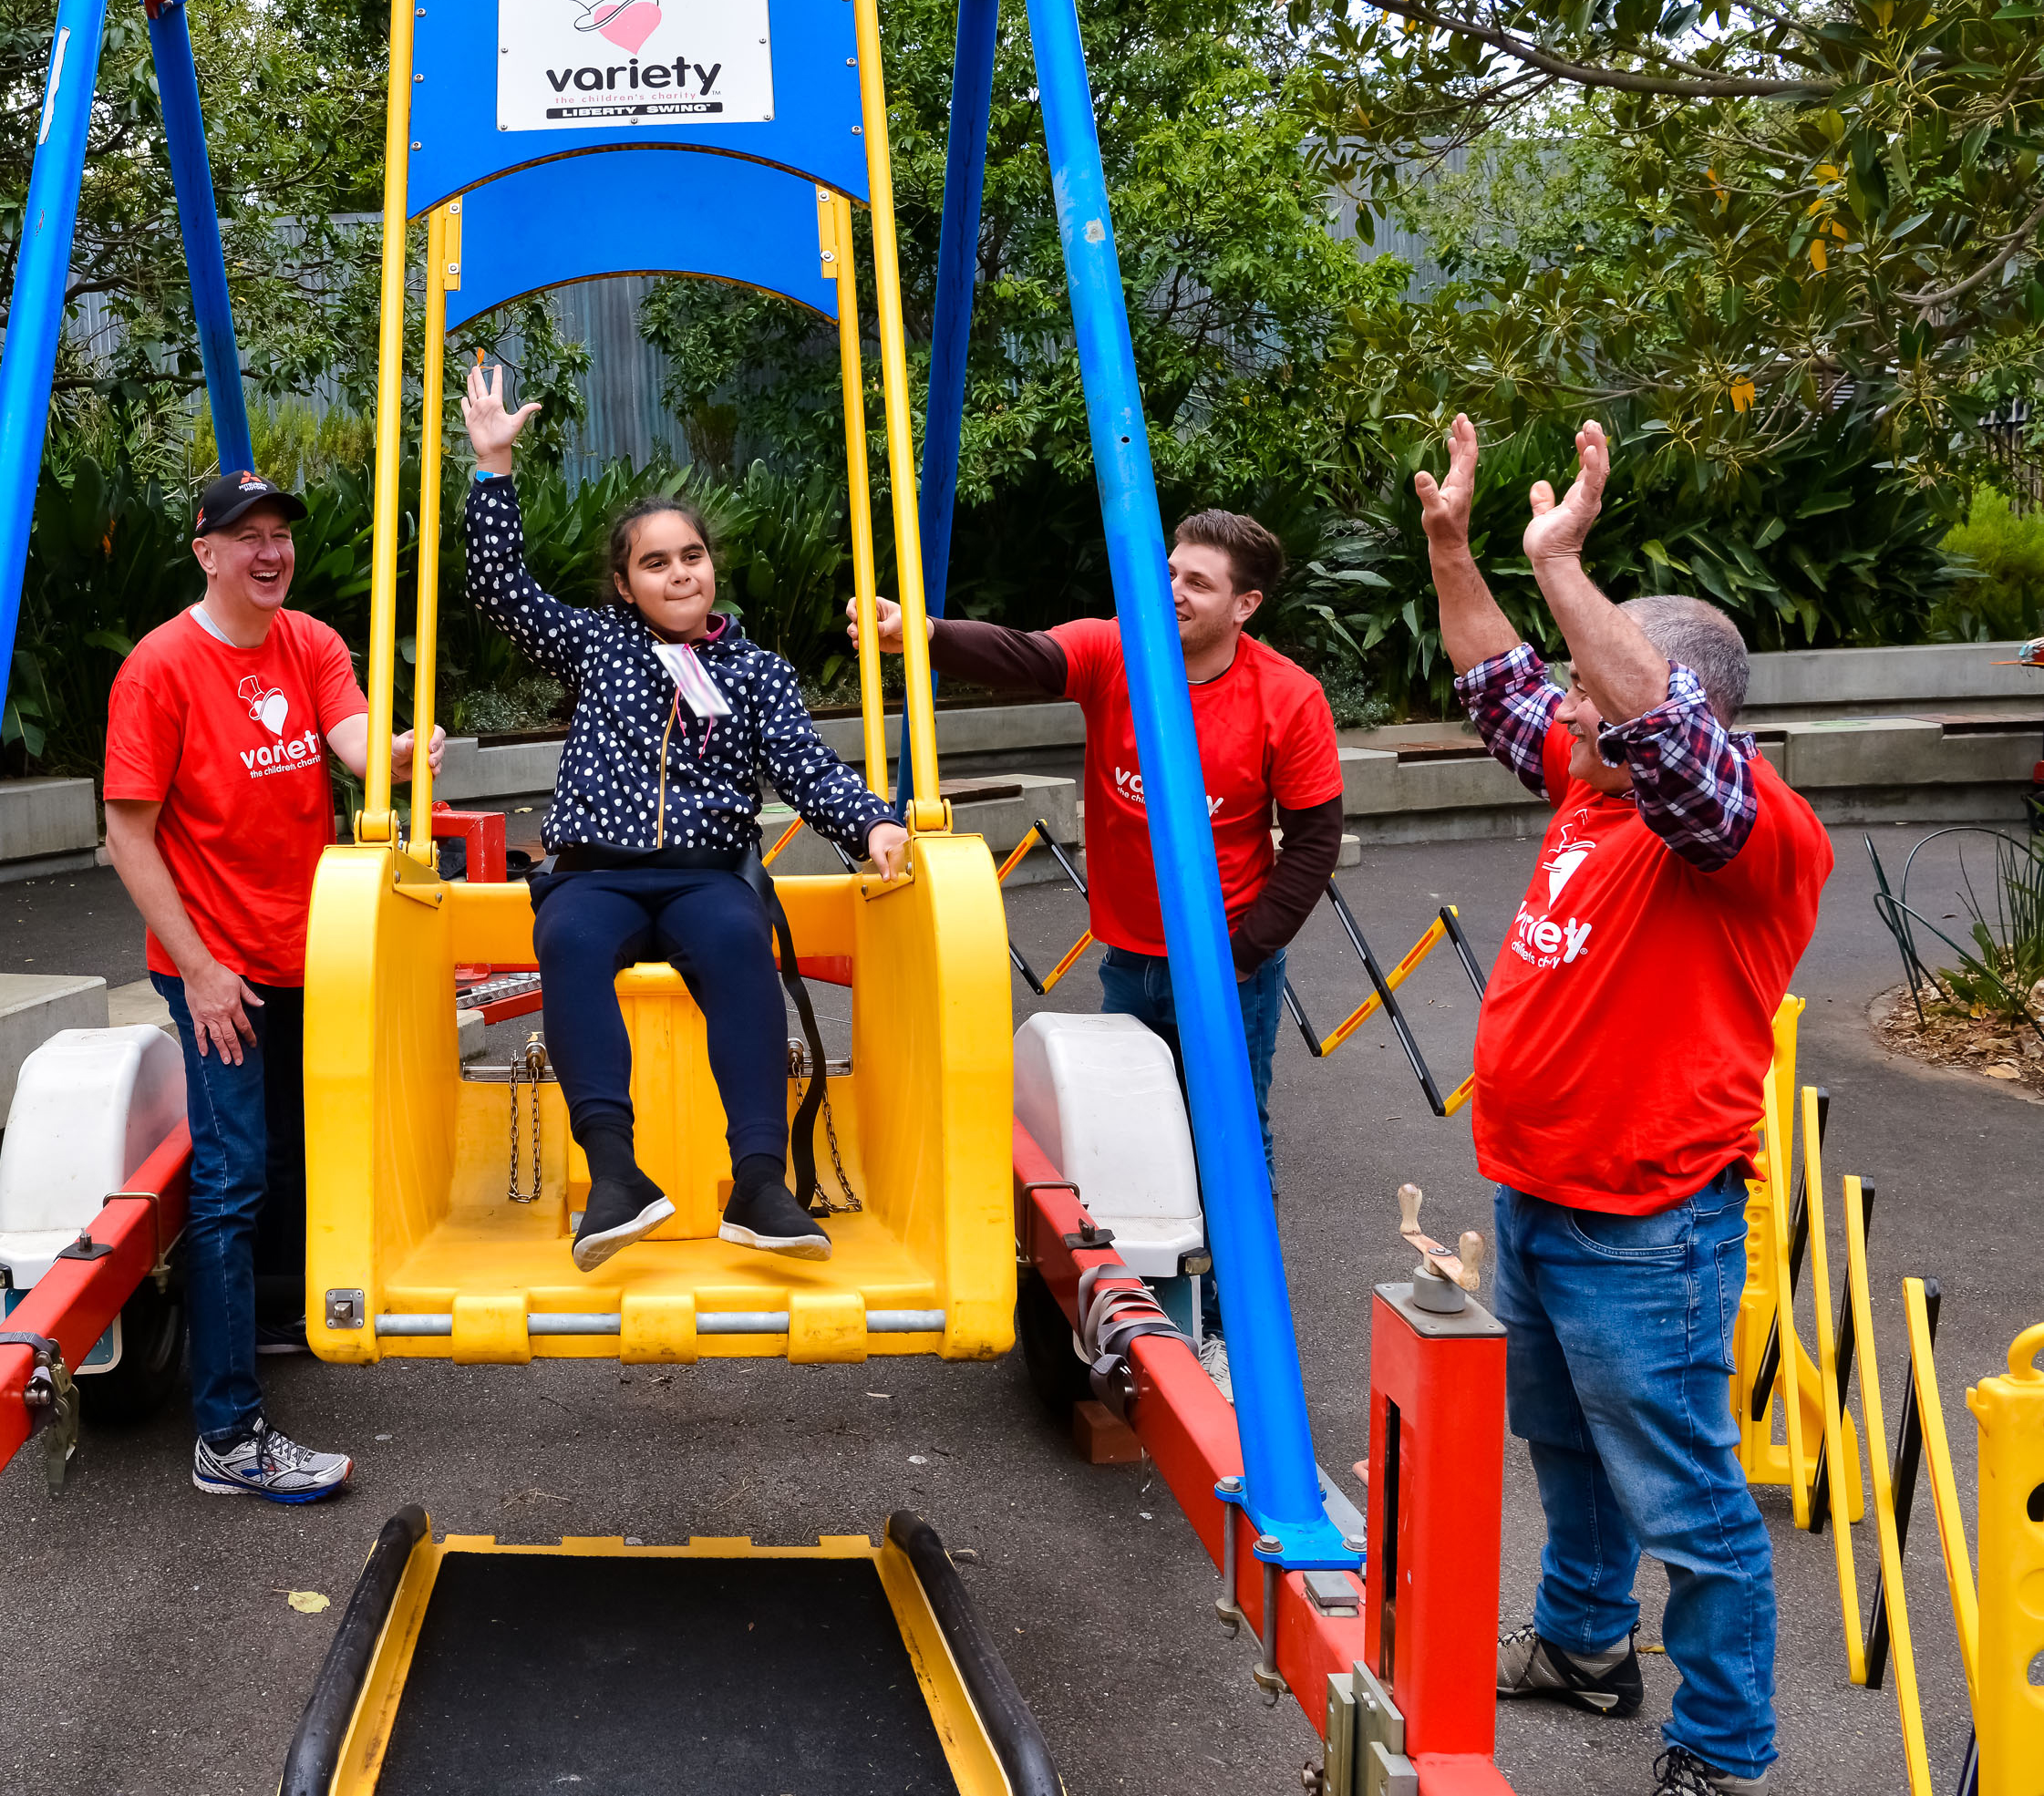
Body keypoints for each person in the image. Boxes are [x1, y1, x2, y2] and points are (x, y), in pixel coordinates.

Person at [1423, 415, 1824, 1796]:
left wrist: (1557, 567)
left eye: (1591, 697)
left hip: (1647, 1224)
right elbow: (1494, 684)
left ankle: (1721, 1748)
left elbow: (1646, 722)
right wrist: (1450, 548)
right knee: (1563, 1445)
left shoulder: (1744, 826)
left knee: (1689, 1502)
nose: (1566, 716)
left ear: (1677, 708)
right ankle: (1587, 1645)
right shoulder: (1593, 778)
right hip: (1538, 1192)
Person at [855, 508, 1342, 1380]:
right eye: (1169, 570)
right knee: (1130, 1130)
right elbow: (1029, 655)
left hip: (1226, 966)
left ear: (1247, 605)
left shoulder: (1286, 696)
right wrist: (918, 632)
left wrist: (1243, 953)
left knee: (1229, 1135)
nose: (1172, 590)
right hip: (1129, 953)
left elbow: (1312, 838)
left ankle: (1236, 1328)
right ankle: (1147, 1307)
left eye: (1198, 581)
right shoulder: (1120, 650)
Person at [460, 360, 906, 1269]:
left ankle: (759, 1182)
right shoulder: (594, 645)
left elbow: (804, 766)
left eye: (690, 556)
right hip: (598, 871)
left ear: (711, 568)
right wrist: (492, 472)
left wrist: (870, 824)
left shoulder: (752, 671)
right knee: (571, 943)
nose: (678, 574)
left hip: (707, 873)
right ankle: (617, 1176)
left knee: (741, 944)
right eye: (654, 562)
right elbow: (500, 593)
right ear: (624, 585)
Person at [102, 468, 439, 1503]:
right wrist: (200, 972)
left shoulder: (311, 644)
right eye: (245, 534)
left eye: (280, 532)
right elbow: (127, 833)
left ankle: (273, 1322)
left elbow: (347, 745)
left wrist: (392, 753)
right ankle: (227, 1432)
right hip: (221, 973)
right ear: (204, 551)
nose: (269, 550)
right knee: (233, 1180)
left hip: (313, 954)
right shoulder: (160, 668)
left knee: (295, 1155)